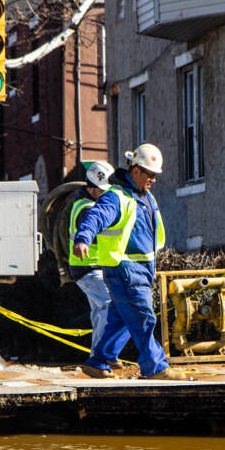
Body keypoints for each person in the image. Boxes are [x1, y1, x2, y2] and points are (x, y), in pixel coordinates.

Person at [72, 143, 187, 381]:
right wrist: (83, 238)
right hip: (125, 269)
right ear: (135, 170)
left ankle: (99, 360)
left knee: (122, 317)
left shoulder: (143, 196)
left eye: (156, 175)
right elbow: (96, 215)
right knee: (144, 317)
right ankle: (155, 367)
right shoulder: (117, 197)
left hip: (139, 270)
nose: (154, 180)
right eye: (150, 174)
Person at [67, 160, 128, 378]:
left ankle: (99, 357)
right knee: (111, 306)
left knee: (99, 312)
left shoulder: (86, 203)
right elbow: (97, 230)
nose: (105, 195)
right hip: (88, 267)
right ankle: (103, 357)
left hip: (87, 267)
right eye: (102, 191)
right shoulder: (88, 208)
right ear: (91, 188)